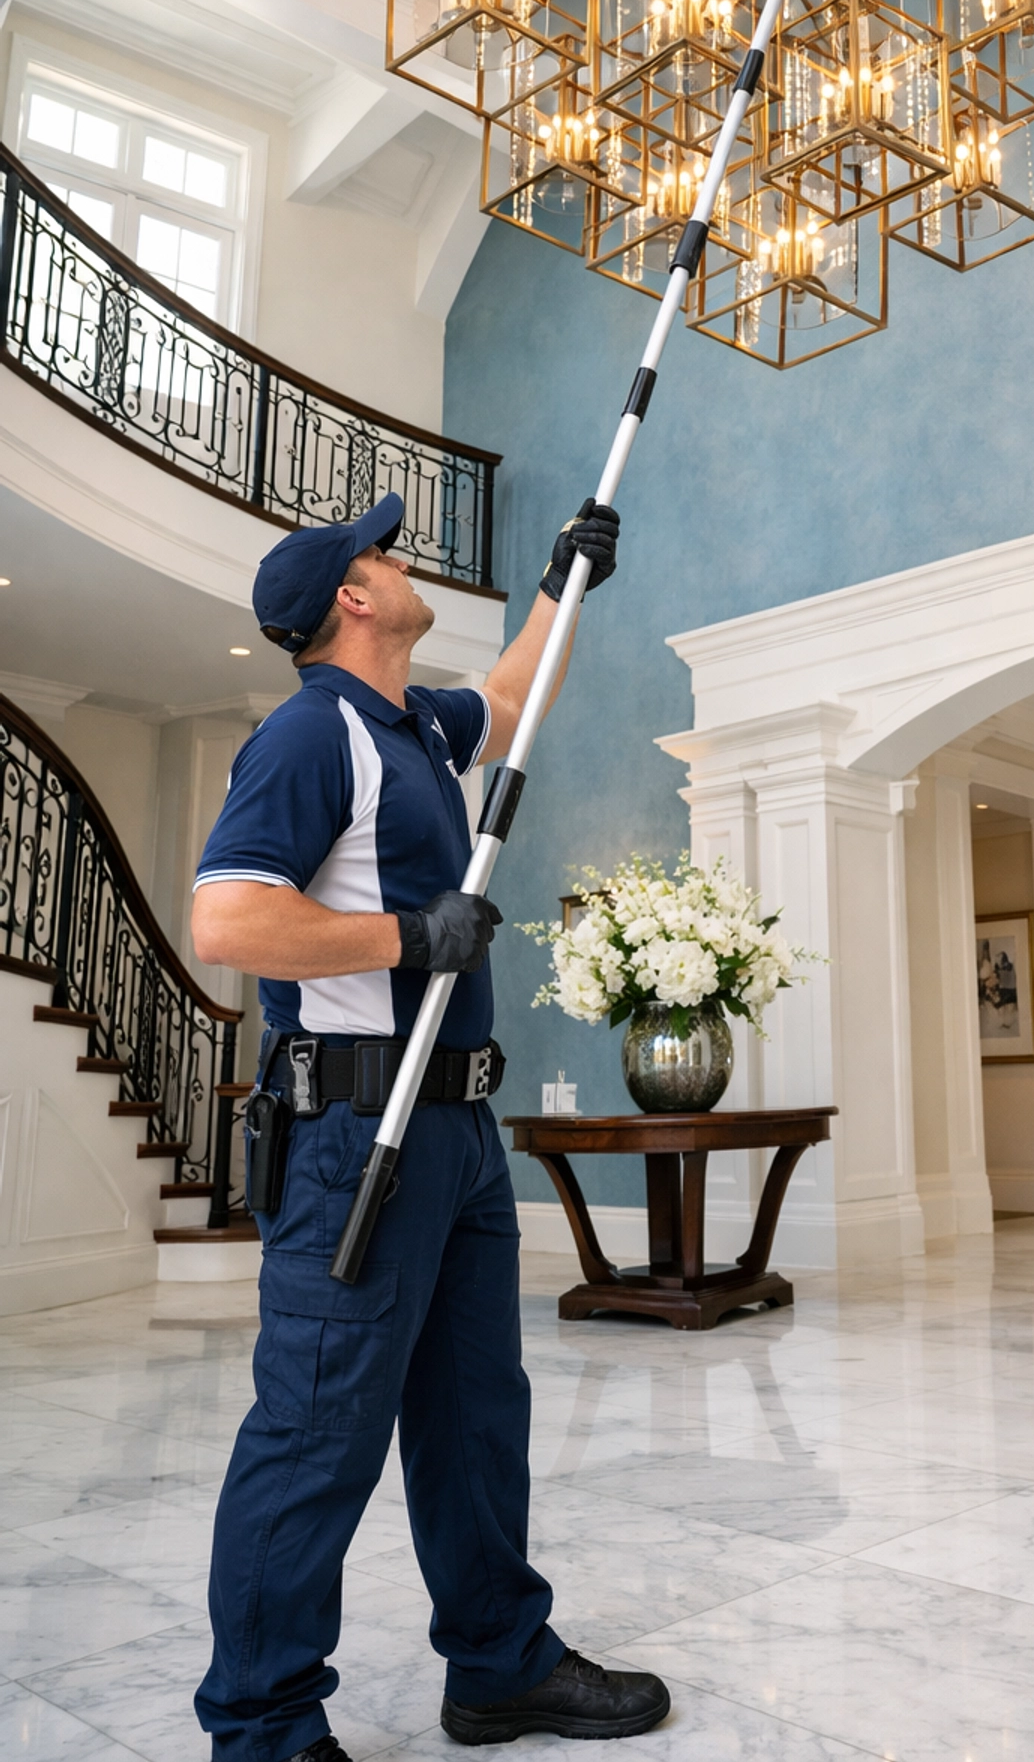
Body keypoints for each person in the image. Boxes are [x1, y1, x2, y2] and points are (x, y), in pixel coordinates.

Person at [189, 492, 670, 1761]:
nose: (406, 564)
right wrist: (407, 937)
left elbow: (511, 704)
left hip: (452, 1131)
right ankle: (264, 1726)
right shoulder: (309, 737)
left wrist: (567, 585)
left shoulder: (411, 728)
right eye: (386, 554)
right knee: (314, 1432)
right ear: (352, 594)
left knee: (473, 1416)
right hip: (359, 1131)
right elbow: (229, 923)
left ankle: (499, 1666)